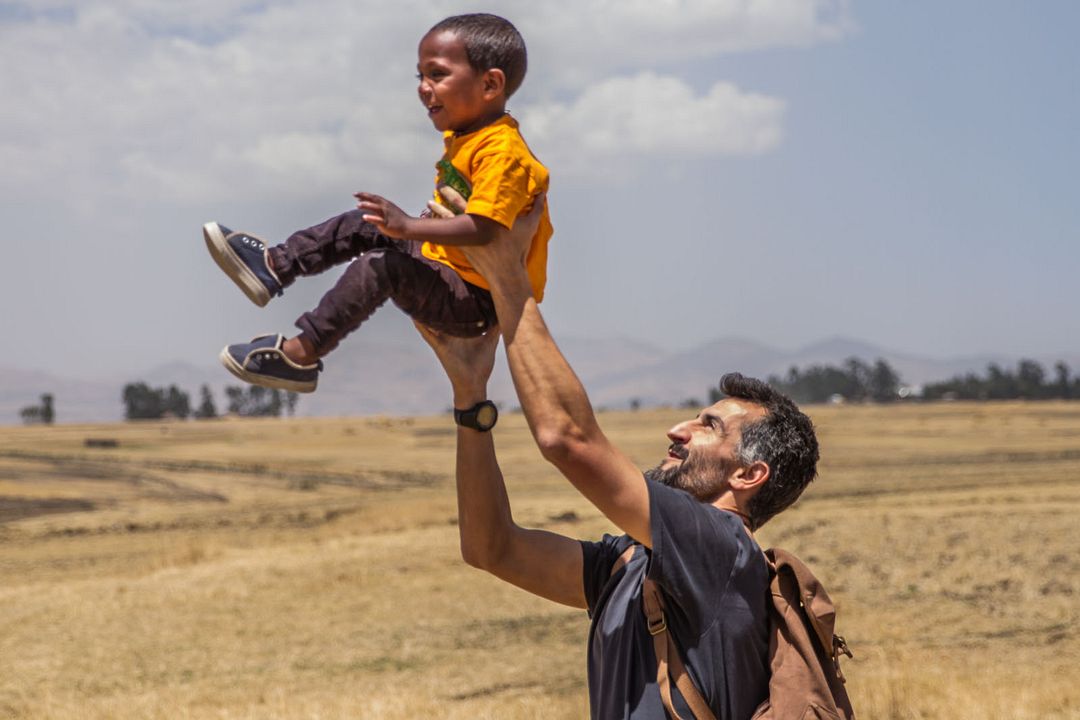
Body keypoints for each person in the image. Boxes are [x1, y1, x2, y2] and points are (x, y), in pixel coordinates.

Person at [415, 195, 821, 719]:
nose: (677, 429)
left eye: (708, 426)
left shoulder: (722, 549)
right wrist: (471, 395)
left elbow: (566, 439)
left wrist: (506, 272)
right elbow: (491, 548)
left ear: (748, 474)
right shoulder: (629, 562)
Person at [203, 13, 552, 393]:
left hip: (478, 298)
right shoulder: (468, 138)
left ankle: (300, 355)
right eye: (420, 76)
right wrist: (410, 227)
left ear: (490, 84)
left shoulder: (503, 152)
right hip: (449, 267)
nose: (423, 88)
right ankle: (275, 265)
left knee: (380, 267)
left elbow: (485, 229)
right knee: (365, 222)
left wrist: (407, 226)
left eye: (437, 75)